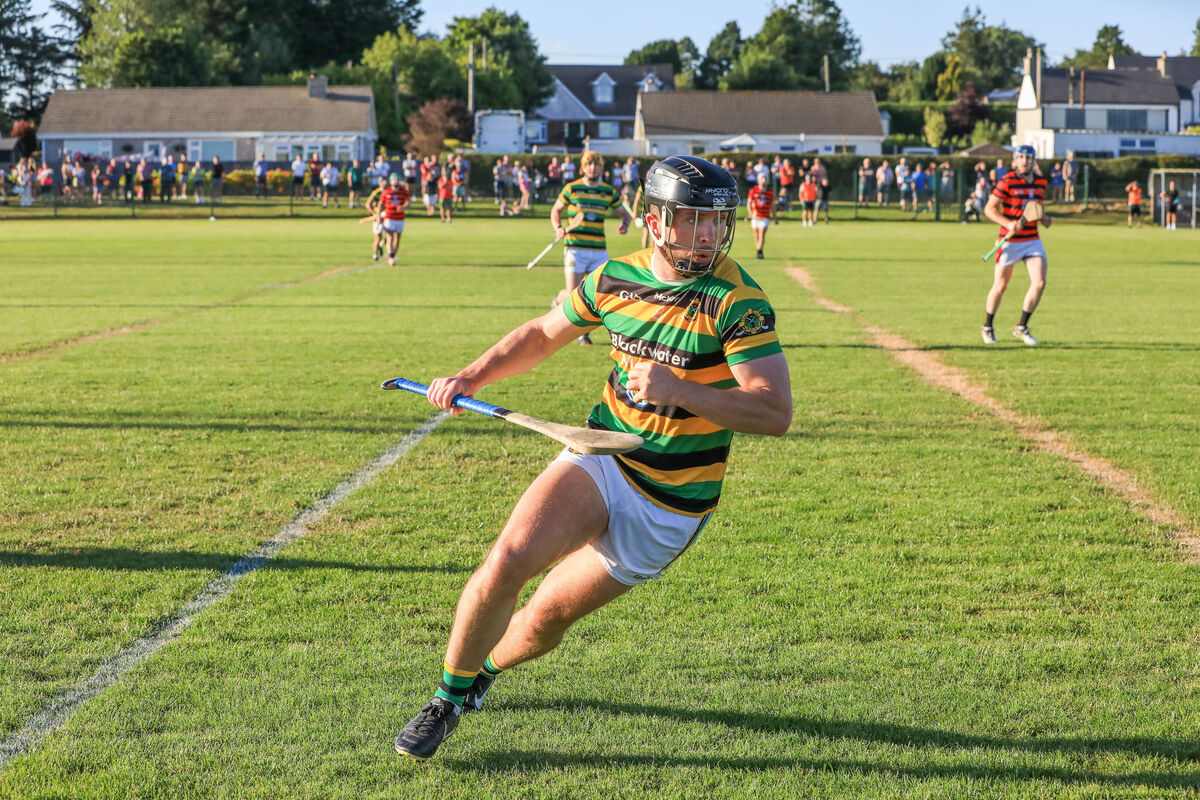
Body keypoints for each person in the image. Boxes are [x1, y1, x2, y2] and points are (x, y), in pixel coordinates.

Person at [393, 155, 792, 762]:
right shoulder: (612, 279)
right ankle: (448, 698)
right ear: (654, 221)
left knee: (548, 615)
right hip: (603, 456)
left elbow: (774, 412)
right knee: (507, 561)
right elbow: (543, 332)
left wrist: (679, 389)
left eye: (717, 220)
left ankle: (485, 676)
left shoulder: (736, 302)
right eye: (692, 219)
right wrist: (469, 376)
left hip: (672, 506)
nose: (708, 234)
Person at [549, 150, 633, 345]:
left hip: (598, 250)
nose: (593, 167)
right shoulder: (572, 188)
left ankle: (568, 314)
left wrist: (625, 225)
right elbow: (556, 209)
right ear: (583, 167)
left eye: (596, 164)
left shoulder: (608, 191)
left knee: (599, 293)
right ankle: (582, 334)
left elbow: (624, 213)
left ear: (601, 168)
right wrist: (558, 227)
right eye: (589, 164)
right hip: (575, 249)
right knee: (574, 295)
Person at [981, 144, 1052, 346]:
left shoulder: (1040, 182)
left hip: (1031, 240)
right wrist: (1008, 223)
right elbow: (989, 209)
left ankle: (1021, 327)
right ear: (1015, 160)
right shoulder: (1007, 181)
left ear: (1033, 161)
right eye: (1021, 157)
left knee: (1039, 282)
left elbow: (1037, 208)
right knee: (1001, 286)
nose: (1024, 161)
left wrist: (1044, 219)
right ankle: (987, 326)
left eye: (1028, 158)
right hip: (1010, 240)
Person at [377, 173, 410, 266]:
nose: (395, 181)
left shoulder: (404, 192)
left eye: (397, 179)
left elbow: (407, 202)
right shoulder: (386, 191)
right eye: (393, 179)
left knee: (397, 239)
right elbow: (380, 205)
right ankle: (391, 257)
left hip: (399, 219)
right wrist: (378, 216)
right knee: (389, 237)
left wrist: (403, 207)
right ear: (390, 181)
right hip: (389, 218)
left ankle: (392, 255)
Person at [746, 171, 774, 258]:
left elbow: (772, 206)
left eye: (765, 178)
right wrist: (750, 213)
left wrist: (775, 217)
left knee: (762, 234)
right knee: (757, 235)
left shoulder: (770, 193)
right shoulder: (753, 190)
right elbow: (749, 203)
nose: (763, 180)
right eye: (762, 178)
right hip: (755, 216)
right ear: (758, 180)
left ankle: (759, 251)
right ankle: (759, 249)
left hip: (765, 217)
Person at [364, 176, 387, 260]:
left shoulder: (389, 191)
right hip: (378, 218)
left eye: (385, 181)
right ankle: (375, 254)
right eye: (382, 181)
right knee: (378, 237)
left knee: (390, 236)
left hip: (387, 217)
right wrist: (375, 214)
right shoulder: (376, 193)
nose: (384, 183)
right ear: (379, 183)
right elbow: (367, 204)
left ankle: (381, 245)